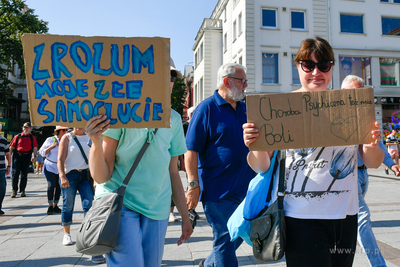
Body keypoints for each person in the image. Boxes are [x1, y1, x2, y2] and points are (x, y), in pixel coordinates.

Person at [243, 37, 384, 267]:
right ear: (298, 66)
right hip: (300, 218)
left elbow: (372, 161)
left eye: (324, 65)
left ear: (331, 68)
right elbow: (260, 166)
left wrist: (372, 145)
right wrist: (254, 144)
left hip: (344, 218)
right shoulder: (281, 108)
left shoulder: (350, 105)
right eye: (308, 65)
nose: (316, 72)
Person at [85, 64, 193, 267]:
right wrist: (96, 141)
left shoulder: (175, 119)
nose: (168, 81)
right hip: (121, 204)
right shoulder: (119, 114)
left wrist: (185, 217)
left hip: (158, 207)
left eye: (171, 76)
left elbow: (172, 172)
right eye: (161, 75)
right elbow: (101, 176)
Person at [185, 63, 256, 267]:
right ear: (226, 81)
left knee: (240, 233)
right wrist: (192, 184)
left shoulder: (245, 108)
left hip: (246, 188)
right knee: (225, 238)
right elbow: (191, 151)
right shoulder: (205, 109)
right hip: (218, 191)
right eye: (242, 81)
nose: (246, 85)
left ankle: (207, 265)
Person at [342, 75, 400, 267]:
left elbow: (378, 145)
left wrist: (390, 163)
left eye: (362, 91)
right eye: (355, 92)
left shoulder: (366, 116)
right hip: (347, 176)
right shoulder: (336, 116)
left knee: (352, 221)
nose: (359, 96)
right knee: (362, 220)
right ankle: (379, 265)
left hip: (362, 174)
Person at [57, 127, 105, 264]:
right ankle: (67, 234)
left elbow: (95, 157)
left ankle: (88, 235)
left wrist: (95, 178)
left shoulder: (91, 136)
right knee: (68, 204)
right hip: (70, 174)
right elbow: (60, 159)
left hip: (86, 175)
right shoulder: (67, 137)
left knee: (89, 205)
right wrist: (62, 176)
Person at [39, 126, 69, 215]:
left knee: (59, 186)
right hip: (50, 166)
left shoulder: (68, 139)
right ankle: (50, 205)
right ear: (58, 131)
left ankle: (56, 205)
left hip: (61, 166)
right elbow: (42, 152)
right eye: (63, 130)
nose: (65, 131)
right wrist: (51, 146)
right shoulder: (51, 139)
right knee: (51, 185)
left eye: (66, 130)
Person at [9, 122, 38, 198]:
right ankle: (14, 190)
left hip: (27, 156)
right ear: (22, 128)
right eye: (24, 127)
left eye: (27, 127)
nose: (26, 129)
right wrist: (9, 156)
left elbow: (35, 147)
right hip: (17, 156)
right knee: (15, 174)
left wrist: (35, 156)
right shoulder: (17, 136)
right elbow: (11, 147)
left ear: (30, 129)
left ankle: (22, 191)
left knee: (24, 174)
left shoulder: (32, 137)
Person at [0, 124, 11, 215]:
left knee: (2, 190)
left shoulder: (3, 140)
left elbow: (8, 154)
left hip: (1, 169)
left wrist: (8, 166)